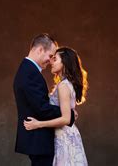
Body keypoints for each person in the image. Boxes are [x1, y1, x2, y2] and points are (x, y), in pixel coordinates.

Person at [13, 34, 75, 166]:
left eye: (54, 58)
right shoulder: (29, 73)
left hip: (39, 141)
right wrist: (68, 114)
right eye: (50, 56)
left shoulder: (28, 70)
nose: (51, 60)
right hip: (38, 141)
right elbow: (42, 108)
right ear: (40, 50)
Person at [24, 46, 89, 166]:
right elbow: (67, 114)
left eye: (55, 59)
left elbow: (65, 119)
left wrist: (38, 124)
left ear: (64, 62)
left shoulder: (63, 86)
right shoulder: (65, 84)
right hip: (66, 135)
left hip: (63, 137)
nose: (51, 62)